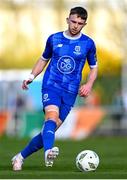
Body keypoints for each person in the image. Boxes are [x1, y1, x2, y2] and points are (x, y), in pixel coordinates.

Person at [12, 6, 98, 171]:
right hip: (51, 84)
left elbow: (94, 67)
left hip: (71, 91)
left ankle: (20, 157)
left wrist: (89, 84)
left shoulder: (88, 43)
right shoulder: (54, 39)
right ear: (67, 20)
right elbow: (43, 59)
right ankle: (48, 152)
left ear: (84, 24)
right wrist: (31, 76)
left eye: (80, 23)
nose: (75, 25)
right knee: (51, 116)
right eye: (73, 21)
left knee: (49, 130)